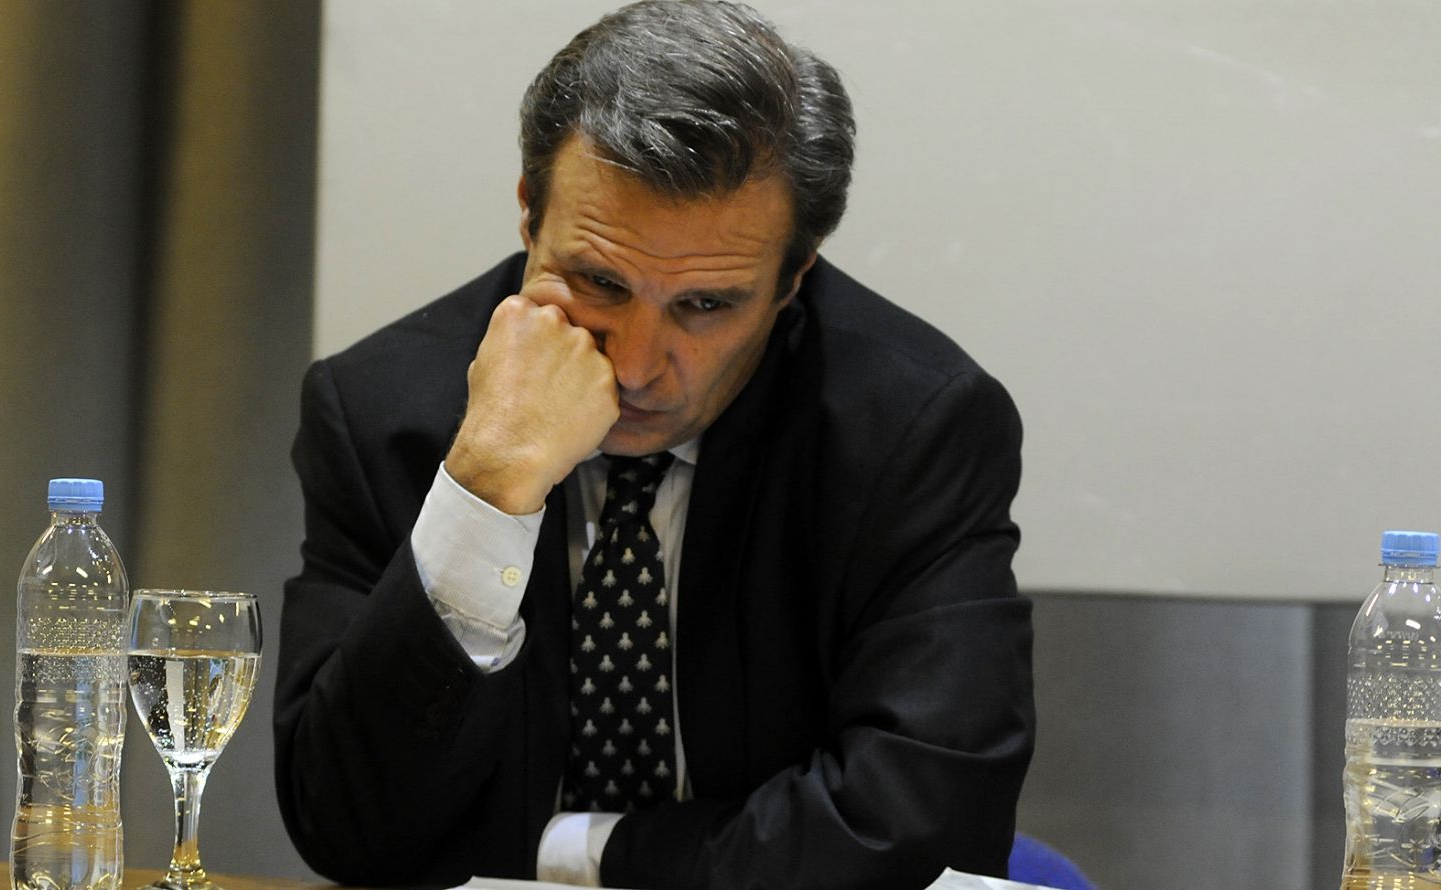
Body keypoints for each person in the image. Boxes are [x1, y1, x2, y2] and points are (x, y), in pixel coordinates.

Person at [273, 2, 1034, 888]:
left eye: (705, 306)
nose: (634, 367)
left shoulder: (915, 430)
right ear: (529, 216)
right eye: (598, 282)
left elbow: (931, 828)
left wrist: (578, 856)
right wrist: (484, 491)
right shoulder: (378, 413)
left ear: (796, 275)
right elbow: (344, 826)